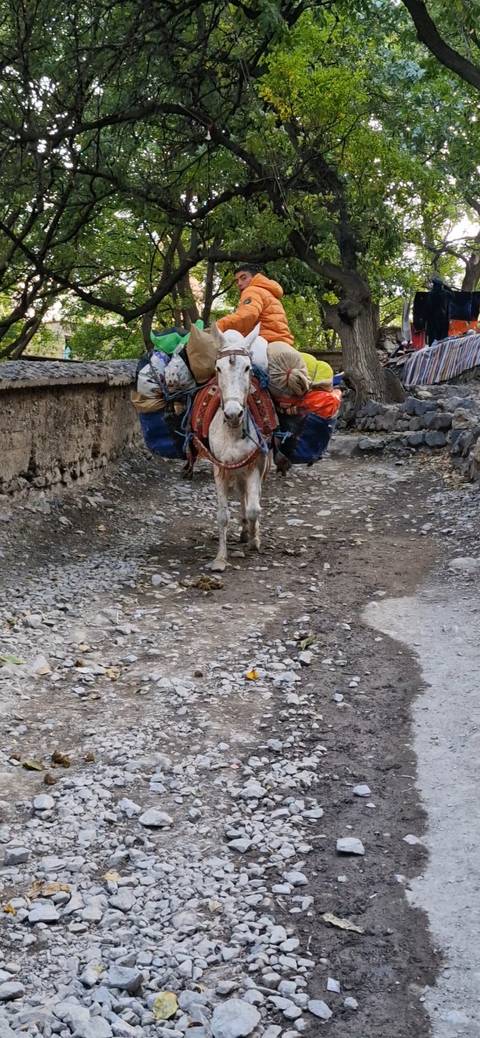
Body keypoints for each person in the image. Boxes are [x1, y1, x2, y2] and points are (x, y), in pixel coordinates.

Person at [216, 265, 294, 346]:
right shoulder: (268, 292)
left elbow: (247, 315)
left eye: (243, 278)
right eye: (237, 281)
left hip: (265, 341)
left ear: (255, 278)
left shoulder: (252, 290)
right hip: (283, 342)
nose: (239, 283)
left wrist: (218, 326)